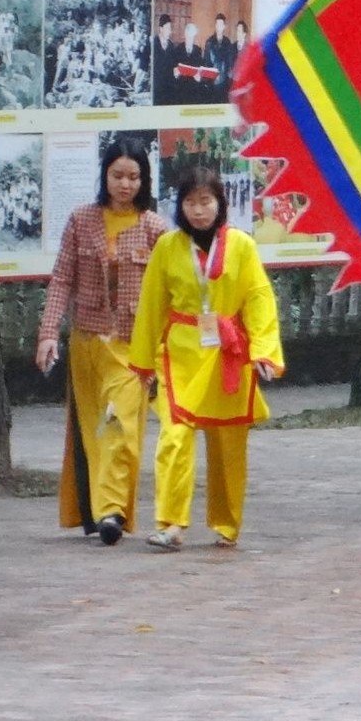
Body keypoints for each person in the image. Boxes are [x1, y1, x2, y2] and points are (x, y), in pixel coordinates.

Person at [130, 167, 283, 551]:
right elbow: (151, 305)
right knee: (175, 436)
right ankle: (171, 523)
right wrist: (142, 363)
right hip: (180, 353)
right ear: (179, 206)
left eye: (205, 201)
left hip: (227, 354)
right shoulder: (167, 246)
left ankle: (227, 523)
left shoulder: (243, 247)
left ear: (219, 204)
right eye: (190, 202)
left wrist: (264, 351)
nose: (198, 210)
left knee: (228, 442)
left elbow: (259, 299)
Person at [38, 138, 169, 544]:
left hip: (133, 348)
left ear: (144, 179)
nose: (125, 184)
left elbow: (170, 292)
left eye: (134, 176)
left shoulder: (155, 228)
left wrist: (165, 351)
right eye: (118, 175)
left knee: (119, 423)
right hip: (87, 342)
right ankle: (96, 511)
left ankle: (112, 510)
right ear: (105, 176)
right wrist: (47, 334)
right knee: (90, 429)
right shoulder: (82, 220)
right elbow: (62, 278)